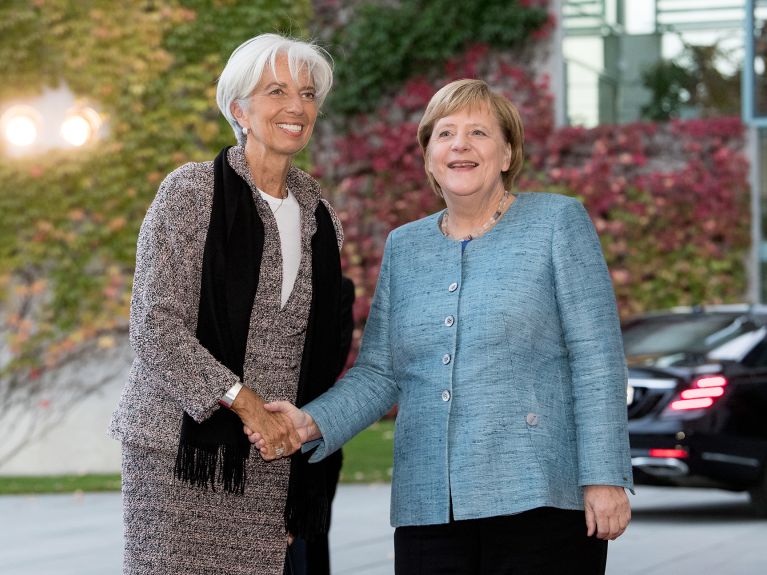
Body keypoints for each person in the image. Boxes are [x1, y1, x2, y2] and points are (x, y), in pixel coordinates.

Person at [248, 79, 633, 575]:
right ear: (429, 156)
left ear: (507, 154)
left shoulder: (557, 222)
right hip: (429, 503)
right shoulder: (404, 246)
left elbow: (597, 357)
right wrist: (308, 423)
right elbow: (380, 373)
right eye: (445, 134)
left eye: (479, 133)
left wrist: (604, 477)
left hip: (538, 496)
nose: (461, 145)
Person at [108, 33, 346, 575]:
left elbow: (318, 348)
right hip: (178, 454)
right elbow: (154, 328)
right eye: (277, 91)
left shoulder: (320, 214)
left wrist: (288, 437)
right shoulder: (191, 192)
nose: (296, 107)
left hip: (271, 458)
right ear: (238, 108)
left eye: (308, 95)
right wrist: (245, 403)